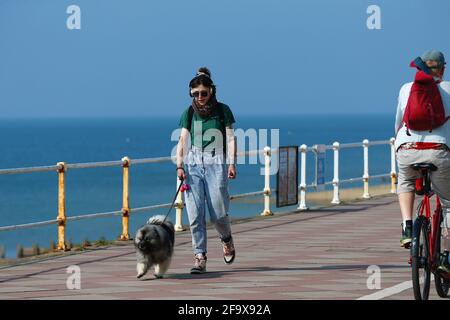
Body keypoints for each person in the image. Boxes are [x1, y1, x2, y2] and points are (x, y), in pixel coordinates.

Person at [176, 67, 237, 274]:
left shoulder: (223, 110)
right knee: (194, 213)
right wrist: (180, 165)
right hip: (193, 162)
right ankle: (199, 256)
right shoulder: (189, 113)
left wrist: (231, 164)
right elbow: (183, 139)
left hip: (216, 160)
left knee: (218, 213)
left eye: (203, 93)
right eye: (195, 94)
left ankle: (226, 239)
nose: (200, 97)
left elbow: (230, 138)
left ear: (211, 91)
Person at [395, 50, 450, 273]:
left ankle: (408, 227)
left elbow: (398, 122)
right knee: (448, 203)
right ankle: (446, 257)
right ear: (442, 68)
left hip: (407, 150)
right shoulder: (448, 88)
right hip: (438, 151)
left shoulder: (406, 89)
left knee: (406, 183)